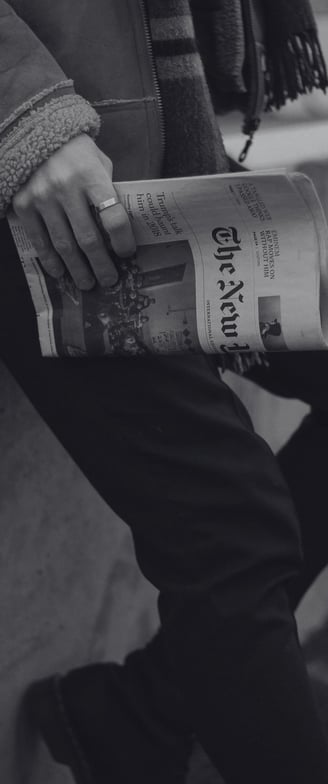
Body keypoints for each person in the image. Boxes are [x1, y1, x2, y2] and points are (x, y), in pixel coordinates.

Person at [1, 1, 328, 783]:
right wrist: (20, 115)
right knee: (230, 525)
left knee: (232, 525)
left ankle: (139, 716)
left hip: (162, 159)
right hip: (55, 193)